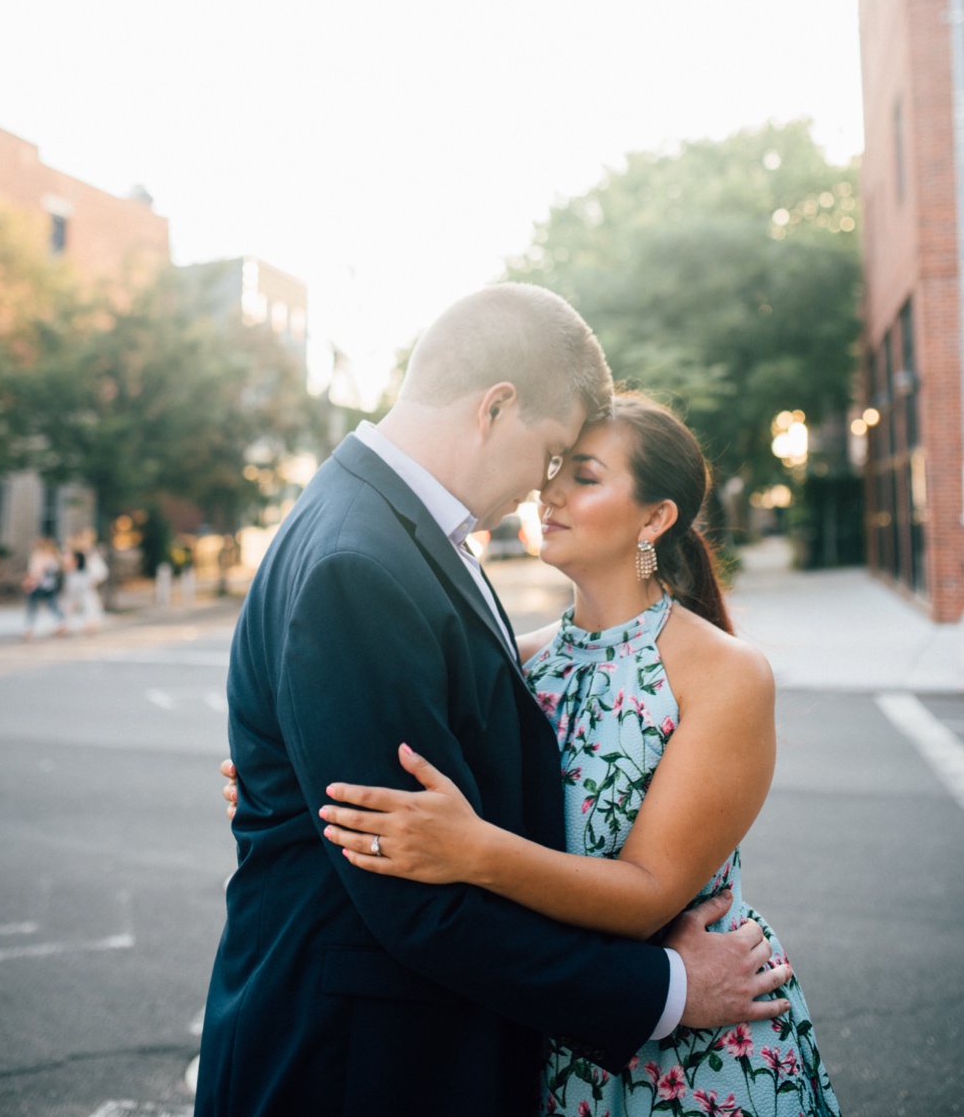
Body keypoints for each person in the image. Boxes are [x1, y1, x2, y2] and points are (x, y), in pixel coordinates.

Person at [196, 285, 792, 1117]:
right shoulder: (360, 559)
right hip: (356, 1063)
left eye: (577, 471)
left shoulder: (399, 532)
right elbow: (418, 899)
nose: (542, 489)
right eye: (552, 454)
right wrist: (663, 987)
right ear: (495, 409)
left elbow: (457, 773)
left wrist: (291, 781)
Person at [297, 393, 840, 1116]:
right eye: (555, 470)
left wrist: (474, 850)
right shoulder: (518, 664)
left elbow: (648, 894)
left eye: (584, 476)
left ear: (655, 518)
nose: (549, 491)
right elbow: (384, 771)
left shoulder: (724, 673)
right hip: (565, 1043)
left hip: (700, 1043)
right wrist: (287, 778)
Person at [20, 537, 64, 639]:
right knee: (52, 605)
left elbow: (36, 572)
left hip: (38, 585)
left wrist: (29, 581)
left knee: (33, 607)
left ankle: (29, 629)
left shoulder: (40, 558)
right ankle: (61, 623)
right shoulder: (51, 558)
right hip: (47, 586)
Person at [64, 543, 108, 634]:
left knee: (90, 610)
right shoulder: (72, 574)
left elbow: (100, 574)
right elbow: (71, 591)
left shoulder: (87, 571)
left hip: (87, 597)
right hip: (78, 598)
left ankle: (91, 625)